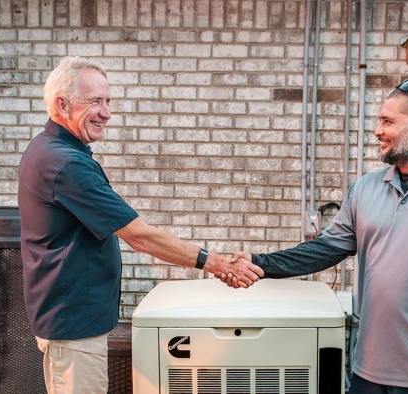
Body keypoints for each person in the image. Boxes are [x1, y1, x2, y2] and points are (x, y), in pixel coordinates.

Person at [228, 80, 408, 394]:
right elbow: (325, 249)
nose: (378, 131)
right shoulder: (366, 188)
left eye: (387, 121)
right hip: (369, 372)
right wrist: (258, 263)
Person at [18, 56, 264, 394]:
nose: (106, 112)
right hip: (73, 327)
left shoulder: (49, 150)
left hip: (73, 319)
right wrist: (217, 263)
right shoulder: (66, 164)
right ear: (62, 104)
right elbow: (139, 235)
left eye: (108, 101)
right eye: (95, 102)